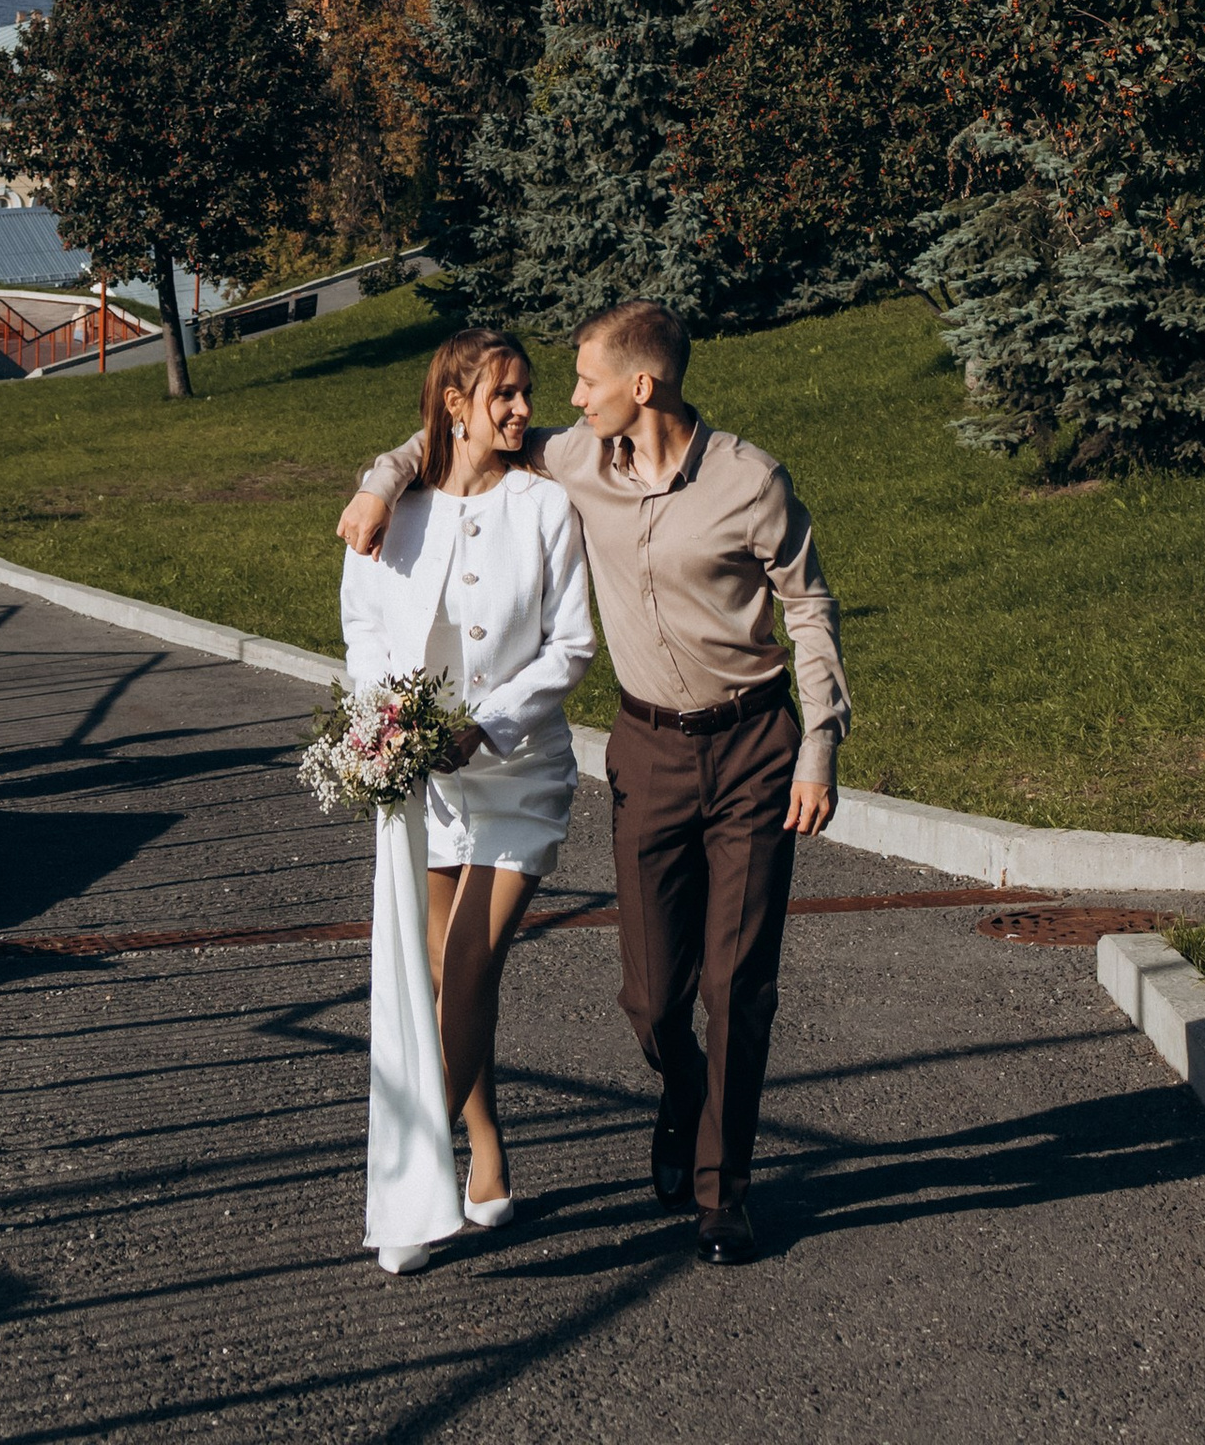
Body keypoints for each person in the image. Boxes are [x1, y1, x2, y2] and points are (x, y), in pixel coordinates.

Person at [340, 297, 848, 1268]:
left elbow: (810, 607)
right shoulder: (579, 461)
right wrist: (378, 483)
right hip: (648, 751)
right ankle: (679, 1092)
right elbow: (447, 438)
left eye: (580, 382)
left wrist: (818, 746)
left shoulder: (747, 481)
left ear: (640, 386)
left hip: (751, 744)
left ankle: (722, 1195)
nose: (560, 402)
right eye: (544, 388)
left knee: (735, 982)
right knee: (651, 1000)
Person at [339, 326, 593, 1273]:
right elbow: (364, 627)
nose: (524, 410)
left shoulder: (546, 506)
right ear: (456, 405)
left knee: (473, 969)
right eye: (504, 395)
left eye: (527, 392)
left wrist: (485, 724)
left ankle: (416, 1184)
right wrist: (391, 728)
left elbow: (571, 646)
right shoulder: (393, 510)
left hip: (517, 770)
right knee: (447, 976)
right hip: (425, 780)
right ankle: (487, 1149)